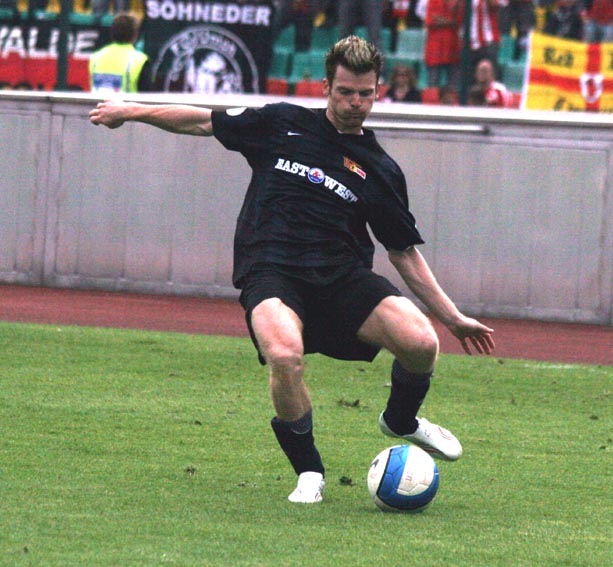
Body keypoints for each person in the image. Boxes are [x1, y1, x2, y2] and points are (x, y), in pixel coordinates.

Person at [89, 35, 495, 505]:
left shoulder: (381, 168)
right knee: (284, 356)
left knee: (422, 343)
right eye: (345, 92)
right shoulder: (281, 123)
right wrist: (129, 110)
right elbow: (201, 121)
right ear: (326, 87)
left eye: (365, 93)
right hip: (272, 271)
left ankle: (401, 421)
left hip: (341, 277)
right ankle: (309, 472)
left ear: (377, 92)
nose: (355, 103)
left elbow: (402, 252)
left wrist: (453, 318)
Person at [89, 13, 151, 94]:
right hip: (127, 102)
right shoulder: (140, 60)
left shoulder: (95, 57)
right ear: (135, 35)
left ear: (112, 33)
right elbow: (147, 96)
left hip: (100, 102)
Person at [424, 0, 462, 91]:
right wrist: (450, 22)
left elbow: (458, 22)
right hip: (435, 48)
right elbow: (431, 21)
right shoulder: (433, 1)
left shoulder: (458, 2)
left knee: (454, 88)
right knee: (433, 86)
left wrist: (441, 20)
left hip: (452, 47)